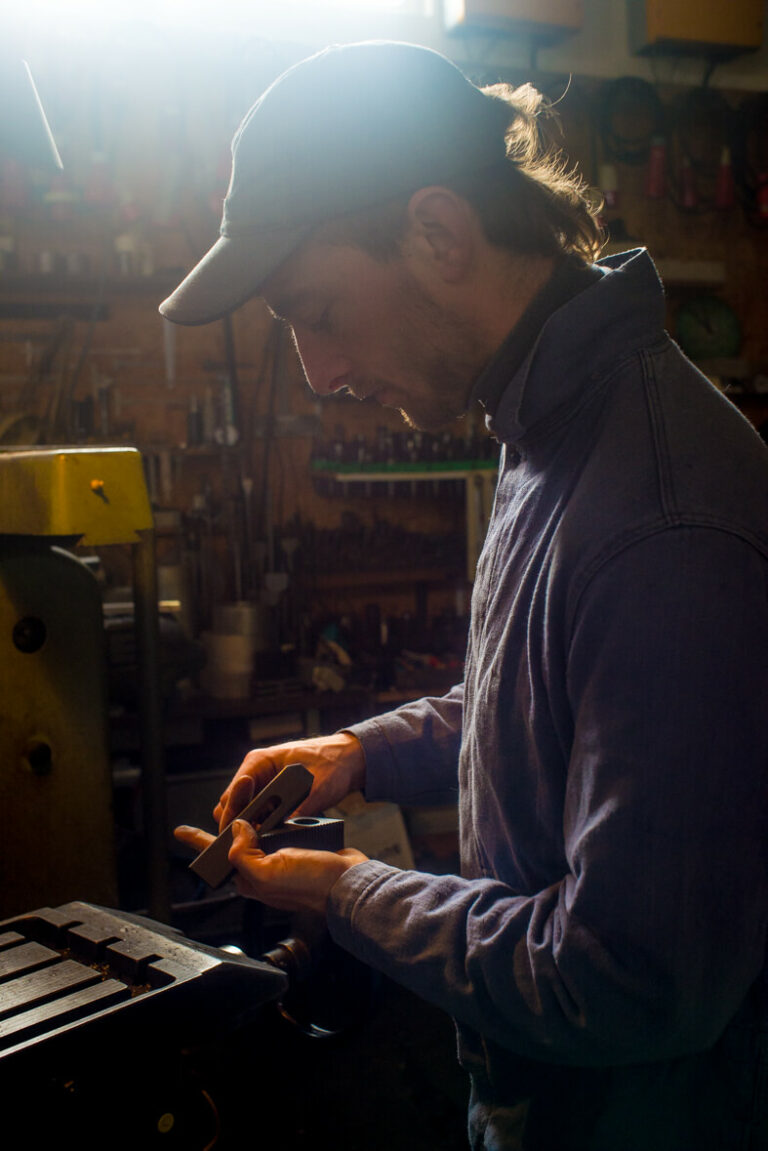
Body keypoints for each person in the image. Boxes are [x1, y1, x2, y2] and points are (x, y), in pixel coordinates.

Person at [162, 41, 768, 1150]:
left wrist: (352, 892)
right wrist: (363, 747)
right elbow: (549, 708)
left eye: (319, 310)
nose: (319, 372)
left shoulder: (663, 520)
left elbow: (627, 982)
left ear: (438, 234)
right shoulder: (546, 431)